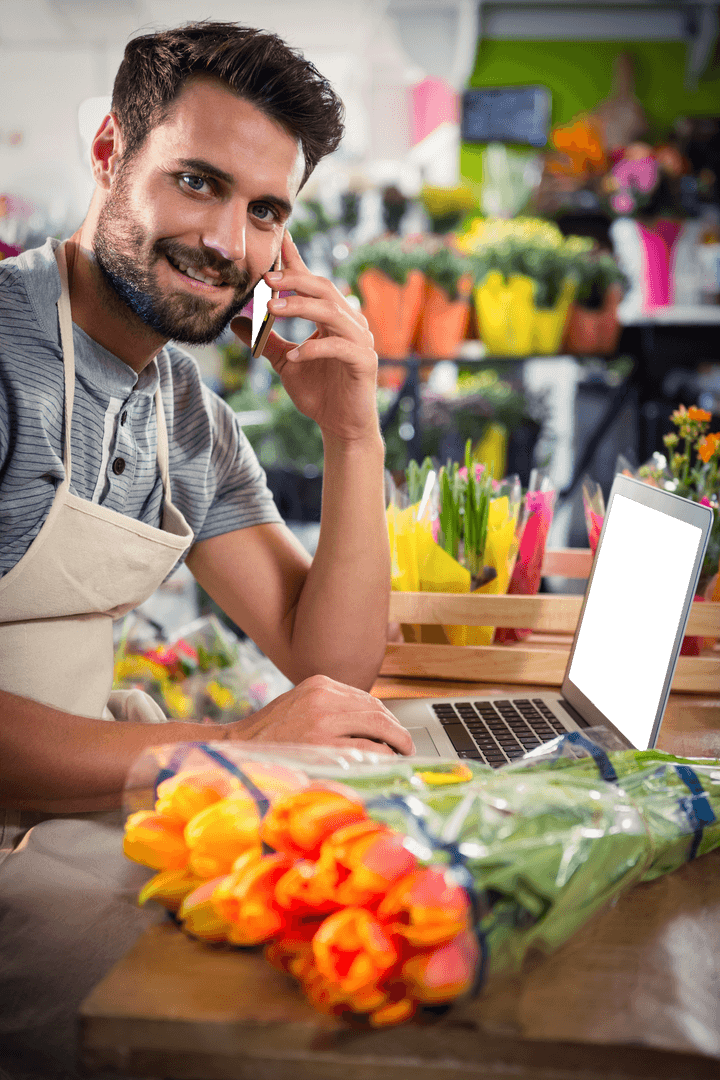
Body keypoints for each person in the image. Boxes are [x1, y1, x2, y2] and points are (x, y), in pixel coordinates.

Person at [0, 21, 414, 1079]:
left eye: (266, 210)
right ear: (108, 155)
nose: (230, 244)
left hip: (56, 830)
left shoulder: (188, 419)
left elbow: (333, 660)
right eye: (198, 181)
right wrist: (236, 742)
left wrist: (352, 431)